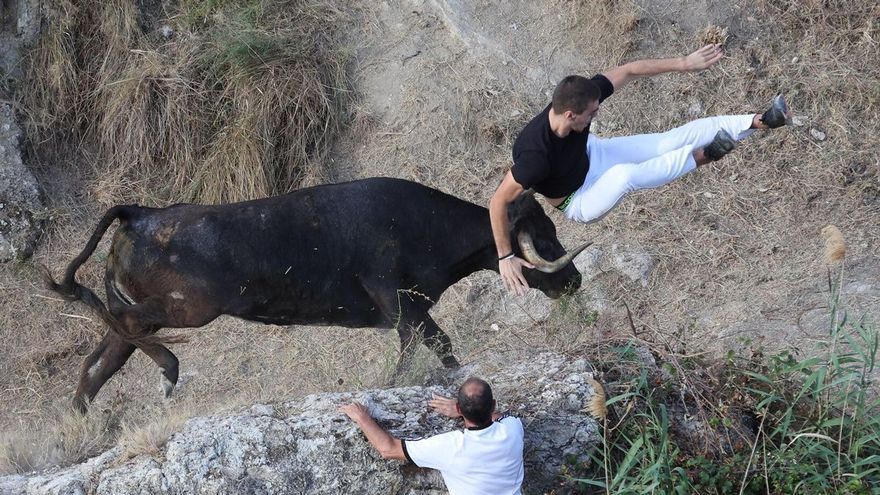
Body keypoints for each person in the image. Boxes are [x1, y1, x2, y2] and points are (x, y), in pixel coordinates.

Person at [489, 44, 792, 295]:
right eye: (592, 113)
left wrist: (685, 63)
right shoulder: (535, 157)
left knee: (668, 141)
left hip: (595, 154)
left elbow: (629, 71)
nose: (597, 113)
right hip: (580, 199)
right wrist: (505, 257)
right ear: (570, 114)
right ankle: (701, 157)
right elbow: (498, 201)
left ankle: (760, 120)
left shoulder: (579, 100)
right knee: (626, 176)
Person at [338, 377, 524, 495]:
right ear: (493, 404)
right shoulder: (513, 429)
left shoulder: (452, 446)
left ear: (459, 408)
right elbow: (502, 416)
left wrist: (362, 418)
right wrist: (466, 410)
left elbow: (388, 449)